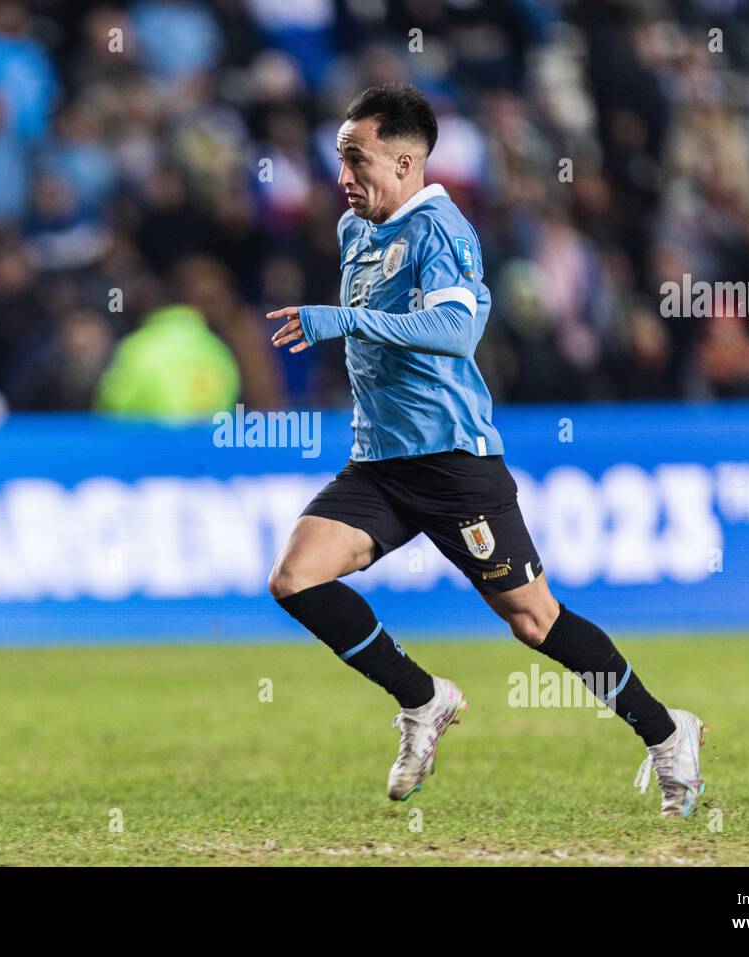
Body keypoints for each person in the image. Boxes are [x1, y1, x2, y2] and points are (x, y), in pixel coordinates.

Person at [266, 83, 707, 816]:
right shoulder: (355, 231)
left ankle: (668, 734)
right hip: (379, 460)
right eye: (339, 159)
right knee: (295, 578)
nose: (342, 176)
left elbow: (455, 334)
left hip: (452, 461)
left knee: (535, 620)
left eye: (356, 159)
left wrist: (341, 320)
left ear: (406, 163)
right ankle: (423, 697)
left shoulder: (444, 232)